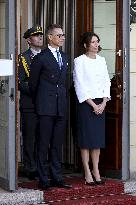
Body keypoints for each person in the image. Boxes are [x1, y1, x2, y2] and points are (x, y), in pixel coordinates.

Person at [29, 24, 72, 190]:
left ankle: (56, 177)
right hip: (45, 107)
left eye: (63, 35)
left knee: (56, 144)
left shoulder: (64, 56)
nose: (62, 38)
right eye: (59, 35)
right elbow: (33, 85)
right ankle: (43, 179)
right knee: (43, 143)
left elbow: (64, 82)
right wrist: (40, 102)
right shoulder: (41, 57)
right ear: (50, 37)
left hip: (60, 105)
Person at [73, 32, 111, 186]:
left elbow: (106, 81)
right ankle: (87, 172)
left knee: (97, 141)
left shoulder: (102, 60)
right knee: (86, 140)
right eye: (93, 42)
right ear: (85, 45)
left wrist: (103, 103)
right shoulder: (79, 61)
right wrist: (93, 105)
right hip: (86, 104)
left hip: (100, 104)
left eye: (97, 41)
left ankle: (96, 170)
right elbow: (79, 84)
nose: (96, 44)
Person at [18, 25, 43, 180]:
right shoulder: (23, 58)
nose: (40, 37)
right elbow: (19, 82)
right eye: (36, 35)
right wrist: (35, 89)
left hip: (46, 104)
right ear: (29, 40)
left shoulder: (48, 55)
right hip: (30, 103)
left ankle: (41, 166)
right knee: (30, 137)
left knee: (43, 137)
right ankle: (30, 167)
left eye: (41, 35)